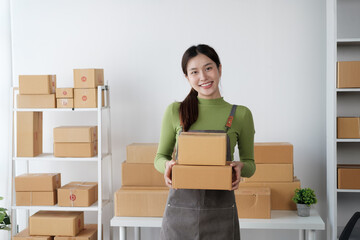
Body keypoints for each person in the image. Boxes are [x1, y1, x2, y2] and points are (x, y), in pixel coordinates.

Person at [154, 44, 256, 240]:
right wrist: (167, 165)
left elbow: (250, 165)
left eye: (208, 68)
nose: (203, 77)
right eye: (194, 72)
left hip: (222, 215)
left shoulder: (241, 114)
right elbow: (160, 157)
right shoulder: (175, 111)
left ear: (219, 68)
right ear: (187, 77)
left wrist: (240, 167)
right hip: (180, 215)